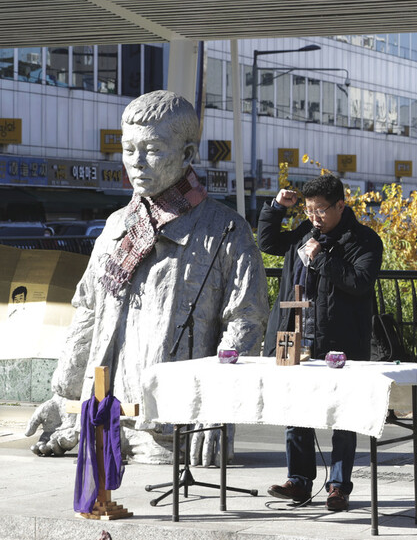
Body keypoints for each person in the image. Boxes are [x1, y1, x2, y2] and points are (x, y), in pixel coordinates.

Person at [24, 90, 269, 464]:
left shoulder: (225, 231)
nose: (136, 162)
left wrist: (217, 414)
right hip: (106, 419)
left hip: (176, 428)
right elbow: (88, 311)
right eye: (128, 148)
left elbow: (245, 323)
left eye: (152, 149)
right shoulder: (116, 227)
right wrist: (66, 398)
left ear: (187, 154)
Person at [258, 175, 383, 510]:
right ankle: (298, 481)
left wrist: (324, 258)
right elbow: (267, 244)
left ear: (340, 205)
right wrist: (275, 209)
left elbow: (360, 281)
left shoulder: (364, 240)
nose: (314, 217)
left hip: (339, 339)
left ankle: (338, 487)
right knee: (294, 410)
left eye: (321, 211)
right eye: (309, 210)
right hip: (294, 334)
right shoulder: (304, 232)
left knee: (343, 416)